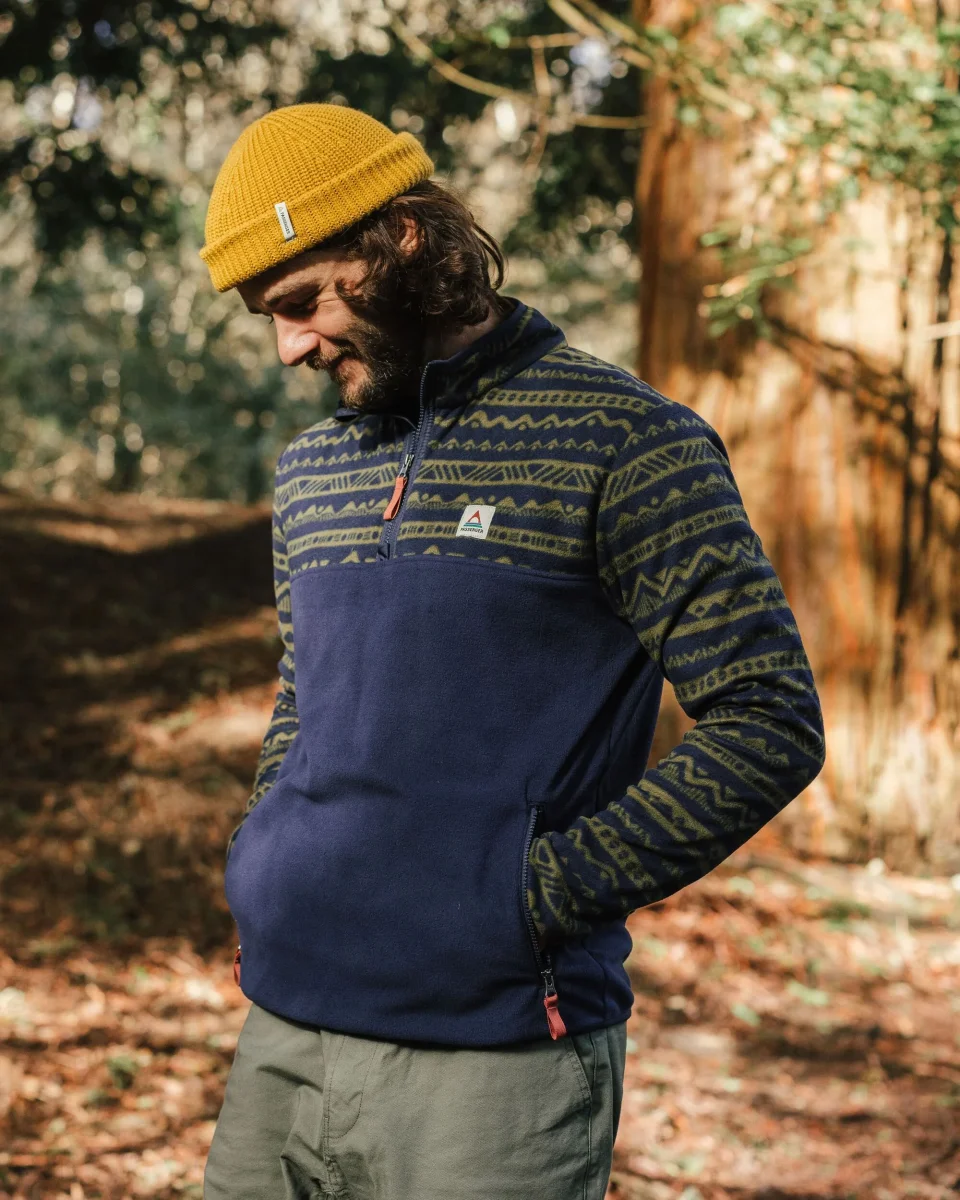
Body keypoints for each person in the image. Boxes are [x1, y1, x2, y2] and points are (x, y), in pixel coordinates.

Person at [198, 103, 825, 1200]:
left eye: (302, 303)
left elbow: (768, 719)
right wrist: (268, 856)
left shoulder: (627, 442)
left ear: (401, 241)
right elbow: (306, 697)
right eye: (269, 318)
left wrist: (532, 895)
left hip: (495, 1055)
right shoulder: (311, 473)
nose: (290, 346)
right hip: (285, 1028)